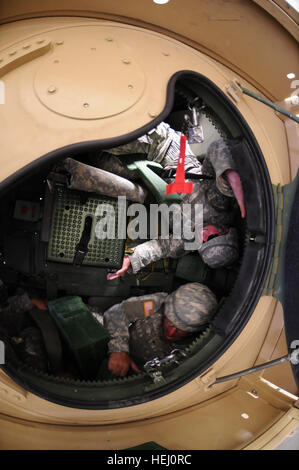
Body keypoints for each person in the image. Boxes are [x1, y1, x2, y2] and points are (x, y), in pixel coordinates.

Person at [103, 122, 245, 280]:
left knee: (100, 163)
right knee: (103, 139)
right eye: (211, 237)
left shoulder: (190, 239)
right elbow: (217, 147)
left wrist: (130, 260)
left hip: (151, 173)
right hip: (164, 148)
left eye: (203, 244)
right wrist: (229, 173)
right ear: (224, 230)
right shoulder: (219, 203)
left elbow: (159, 248)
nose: (203, 237)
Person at [103, 282, 218, 377]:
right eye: (171, 323)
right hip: (120, 359)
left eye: (181, 330)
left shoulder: (203, 344)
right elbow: (117, 312)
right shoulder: (157, 304)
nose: (171, 333)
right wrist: (119, 349)